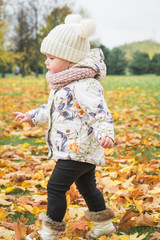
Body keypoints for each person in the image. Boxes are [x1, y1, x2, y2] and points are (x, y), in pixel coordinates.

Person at [13, 14, 116, 240]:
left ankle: (49, 232)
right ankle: (104, 224)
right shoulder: (63, 83)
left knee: (55, 187)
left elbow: (100, 112)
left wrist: (106, 134)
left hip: (78, 148)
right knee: (87, 187)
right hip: (77, 148)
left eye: (51, 57)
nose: (46, 62)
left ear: (70, 59)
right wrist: (31, 116)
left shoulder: (84, 85)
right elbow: (54, 109)